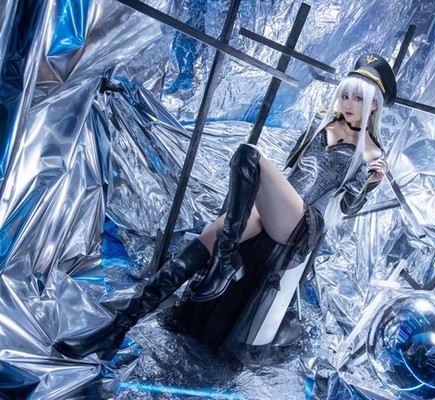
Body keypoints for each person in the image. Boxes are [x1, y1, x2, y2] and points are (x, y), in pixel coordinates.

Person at [53, 53, 398, 360]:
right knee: (206, 241)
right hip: (276, 210)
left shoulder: (372, 153)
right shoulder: (321, 124)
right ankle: (116, 328)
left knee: (249, 155)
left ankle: (225, 261)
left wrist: (370, 183)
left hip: (304, 224)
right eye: (346, 94)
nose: (349, 103)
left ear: (374, 106)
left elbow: (346, 207)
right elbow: (291, 171)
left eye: (359, 98)